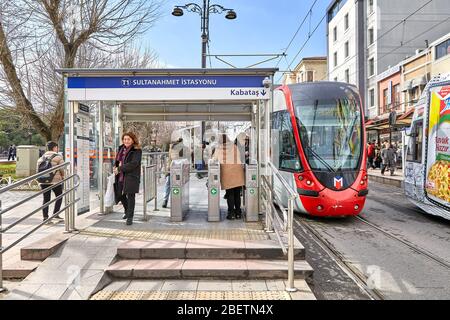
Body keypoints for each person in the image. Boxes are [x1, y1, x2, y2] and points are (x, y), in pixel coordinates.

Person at [212, 134, 245, 220]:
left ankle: (231, 213)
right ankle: (238, 213)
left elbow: (214, 159)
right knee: (237, 193)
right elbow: (240, 157)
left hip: (227, 171)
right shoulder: (234, 146)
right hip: (237, 170)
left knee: (230, 193)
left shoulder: (219, 148)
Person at [113, 132, 142, 225]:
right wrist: (115, 167)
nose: (126, 141)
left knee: (130, 196)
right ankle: (126, 210)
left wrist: (120, 168)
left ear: (133, 140)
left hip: (131, 176)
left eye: (128, 139)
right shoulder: (121, 148)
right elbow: (118, 160)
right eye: (124, 139)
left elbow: (134, 163)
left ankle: (130, 217)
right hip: (120, 175)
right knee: (119, 194)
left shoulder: (137, 150)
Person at [36, 141, 65, 222]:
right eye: (57, 147)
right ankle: (56, 214)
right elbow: (62, 169)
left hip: (43, 181)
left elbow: (37, 171)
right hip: (55, 181)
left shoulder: (41, 158)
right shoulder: (58, 157)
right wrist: (63, 176)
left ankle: (45, 217)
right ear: (54, 148)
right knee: (59, 196)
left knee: (46, 199)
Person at [162, 137, 186, 208]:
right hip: (172, 168)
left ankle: (170, 200)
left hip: (178, 168)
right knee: (169, 183)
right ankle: (165, 200)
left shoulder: (182, 148)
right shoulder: (171, 147)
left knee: (171, 184)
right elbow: (169, 159)